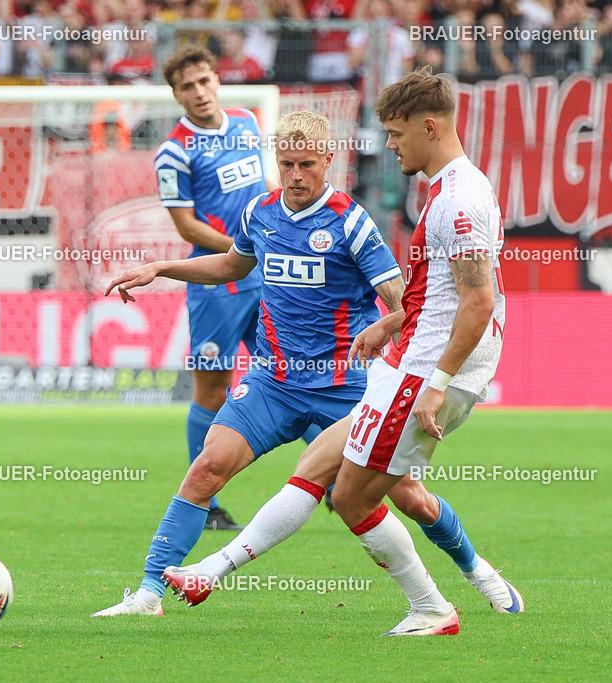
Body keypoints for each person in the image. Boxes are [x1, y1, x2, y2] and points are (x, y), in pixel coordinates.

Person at [166, 68, 524, 636]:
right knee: (318, 473)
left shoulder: (454, 200)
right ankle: (210, 569)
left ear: (429, 127)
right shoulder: (449, 188)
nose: (389, 143)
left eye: (397, 132)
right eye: (286, 163)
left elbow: (479, 301)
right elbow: (437, 293)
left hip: (419, 373)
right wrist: (391, 327)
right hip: (396, 363)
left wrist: (438, 379)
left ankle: (443, 599)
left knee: (362, 498)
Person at [91, 109, 406, 617]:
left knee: (406, 495)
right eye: (287, 164)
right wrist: (162, 268)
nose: (296, 175)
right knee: (206, 468)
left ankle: (475, 570)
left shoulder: (351, 220)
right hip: (272, 382)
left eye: (306, 164)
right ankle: (149, 592)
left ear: (329, 160)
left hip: (342, 385)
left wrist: (390, 341)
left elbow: (403, 304)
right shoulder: (261, 212)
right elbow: (230, 266)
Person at [149, 44, 278, 531]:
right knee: (212, 389)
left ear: (217, 80)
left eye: (204, 81)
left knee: (295, 372)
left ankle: (332, 481)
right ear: (177, 96)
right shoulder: (174, 151)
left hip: (263, 277)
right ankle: (203, 502)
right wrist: (242, 247)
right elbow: (186, 227)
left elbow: (262, 186)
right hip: (216, 285)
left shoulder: (246, 121)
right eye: (188, 87)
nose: (199, 92)